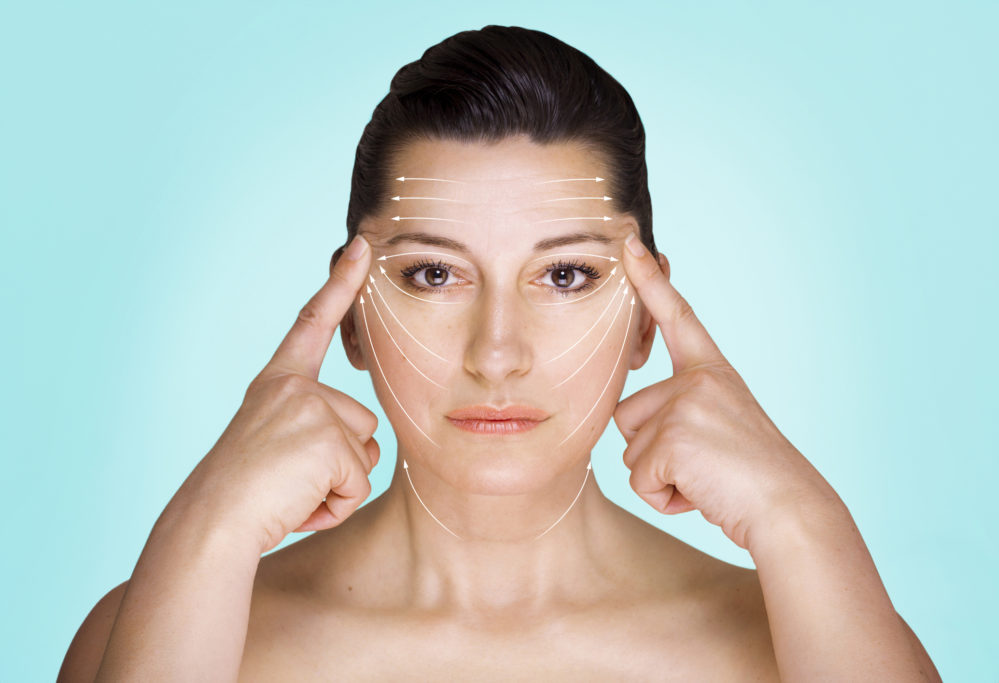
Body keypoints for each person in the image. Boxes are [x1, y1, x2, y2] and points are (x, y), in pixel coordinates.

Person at [59, 25, 940, 681]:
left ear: (646, 316)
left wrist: (801, 517)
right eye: (435, 273)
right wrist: (206, 527)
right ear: (352, 316)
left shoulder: (814, 641)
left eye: (565, 274)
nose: (498, 350)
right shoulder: (158, 627)